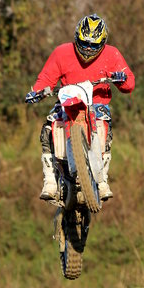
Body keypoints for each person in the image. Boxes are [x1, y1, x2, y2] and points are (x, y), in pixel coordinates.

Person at [25, 13, 135, 200]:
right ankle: (50, 180)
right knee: (48, 128)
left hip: (97, 103)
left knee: (104, 126)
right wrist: (37, 92)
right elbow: (46, 78)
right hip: (66, 102)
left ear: (103, 43)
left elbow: (129, 82)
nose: (88, 48)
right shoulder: (62, 52)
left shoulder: (112, 54)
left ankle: (102, 180)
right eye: (84, 43)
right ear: (76, 38)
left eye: (93, 45)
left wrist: (121, 77)